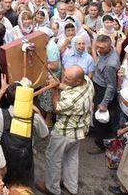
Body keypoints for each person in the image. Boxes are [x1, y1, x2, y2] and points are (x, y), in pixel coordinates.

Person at [37, 65, 93, 195]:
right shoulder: (87, 82)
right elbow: (68, 87)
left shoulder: (72, 99)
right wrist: (59, 84)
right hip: (79, 130)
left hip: (64, 133)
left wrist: (54, 89)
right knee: (71, 157)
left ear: (77, 81)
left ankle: (52, 188)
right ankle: (71, 186)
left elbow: (56, 107)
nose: (63, 80)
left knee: (53, 158)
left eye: (67, 78)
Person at [89, 34, 120, 153]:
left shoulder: (110, 64)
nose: (99, 50)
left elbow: (111, 86)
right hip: (98, 86)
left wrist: (104, 102)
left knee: (100, 119)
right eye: (98, 47)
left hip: (103, 91)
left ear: (109, 46)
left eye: (102, 48)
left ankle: (100, 144)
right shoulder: (105, 53)